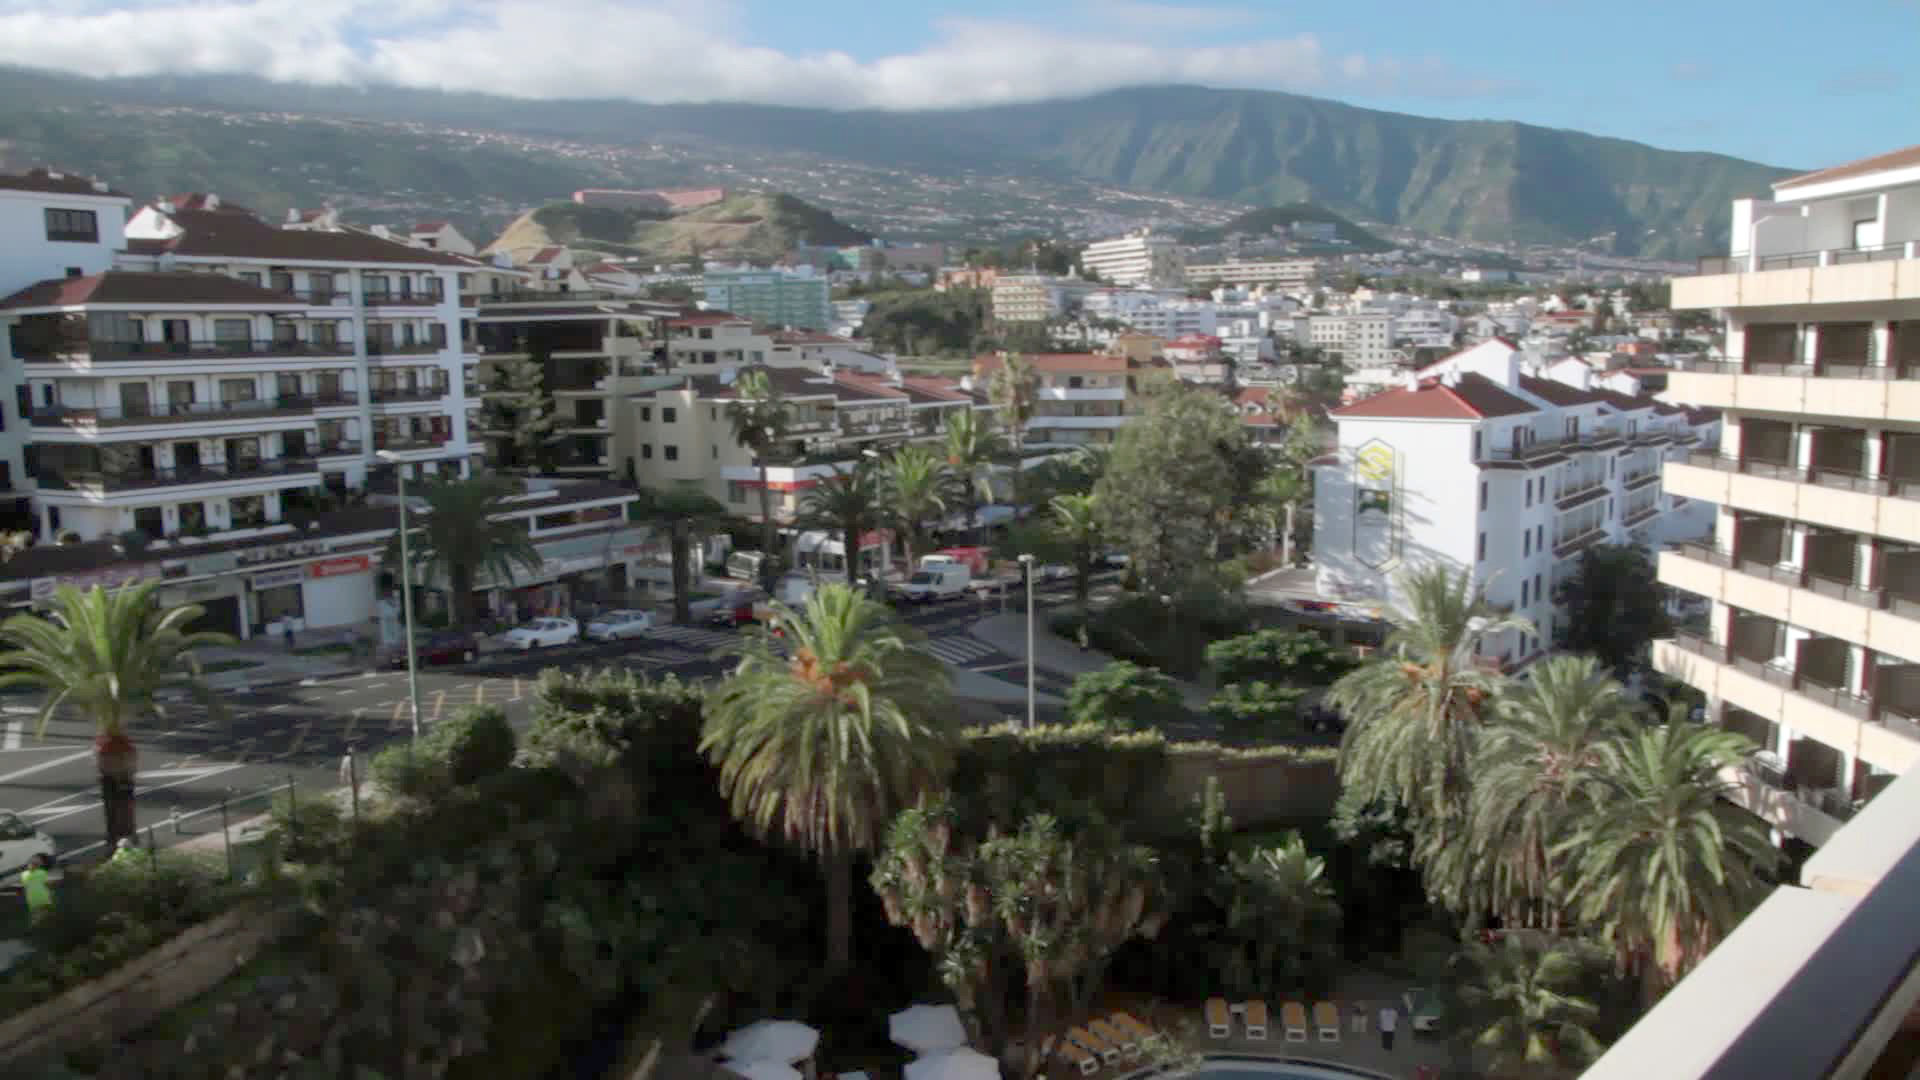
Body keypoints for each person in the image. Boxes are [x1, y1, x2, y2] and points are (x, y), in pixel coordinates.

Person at [20, 854, 52, 922]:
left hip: (32, 899)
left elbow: (25, 885)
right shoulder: (42, 873)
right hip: (43, 897)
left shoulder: (24, 874)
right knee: (44, 912)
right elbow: (47, 883)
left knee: (36, 913)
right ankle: (41, 921)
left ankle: (36, 921)